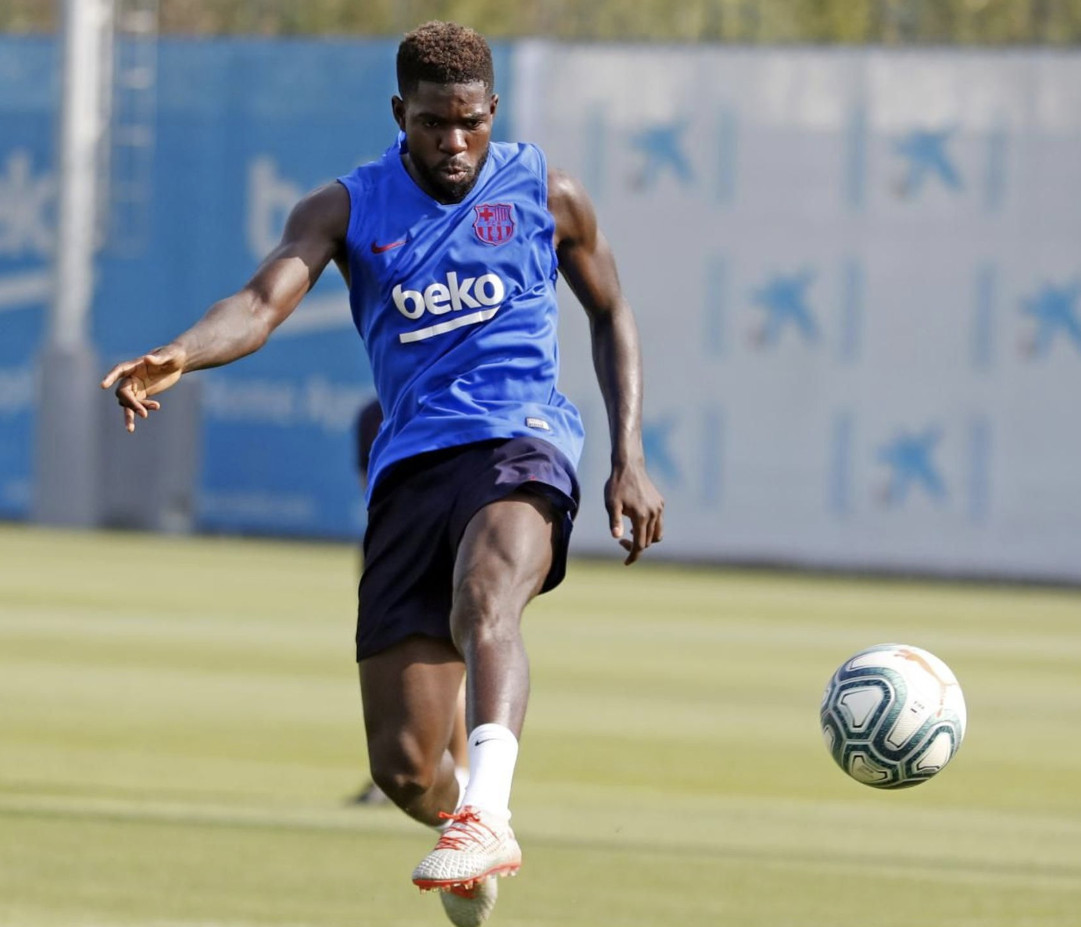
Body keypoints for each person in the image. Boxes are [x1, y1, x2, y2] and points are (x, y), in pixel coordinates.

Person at [101, 21, 664, 927]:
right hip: (410, 468)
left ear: (493, 112)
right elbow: (257, 303)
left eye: (472, 123)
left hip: (522, 442)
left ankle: (486, 809)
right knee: (402, 766)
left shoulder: (546, 193)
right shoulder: (346, 208)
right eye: (435, 123)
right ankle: (462, 829)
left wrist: (629, 452)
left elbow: (610, 309)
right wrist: (179, 352)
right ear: (400, 113)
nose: (455, 143)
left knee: (488, 592)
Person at [350, 397, 470, 807]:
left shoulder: (449, 402)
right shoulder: (371, 414)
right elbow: (372, 484)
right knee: (402, 659)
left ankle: (464, 775)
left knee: (443, 657)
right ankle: (445, 772)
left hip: (431, 538)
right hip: (394, 541)